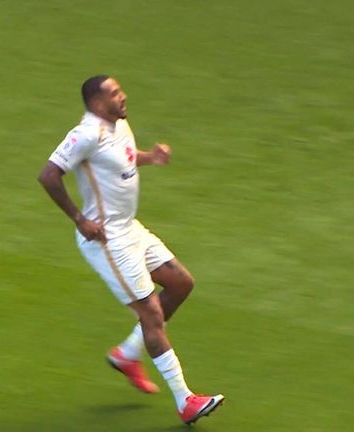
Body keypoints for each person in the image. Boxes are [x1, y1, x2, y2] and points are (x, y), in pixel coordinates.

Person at [38, 75, 224, 424]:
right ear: (97, 103)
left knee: (181, 284)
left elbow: (122, 158)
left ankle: (127, 354)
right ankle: (185, 400)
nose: (123, 96)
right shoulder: (85, 134)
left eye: (120, 90)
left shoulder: (119, 124)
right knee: (151, 314)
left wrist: (150, 157)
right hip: (106, 240)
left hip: (130, 229)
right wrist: (79, 219)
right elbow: (48, 175)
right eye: (114, 93)